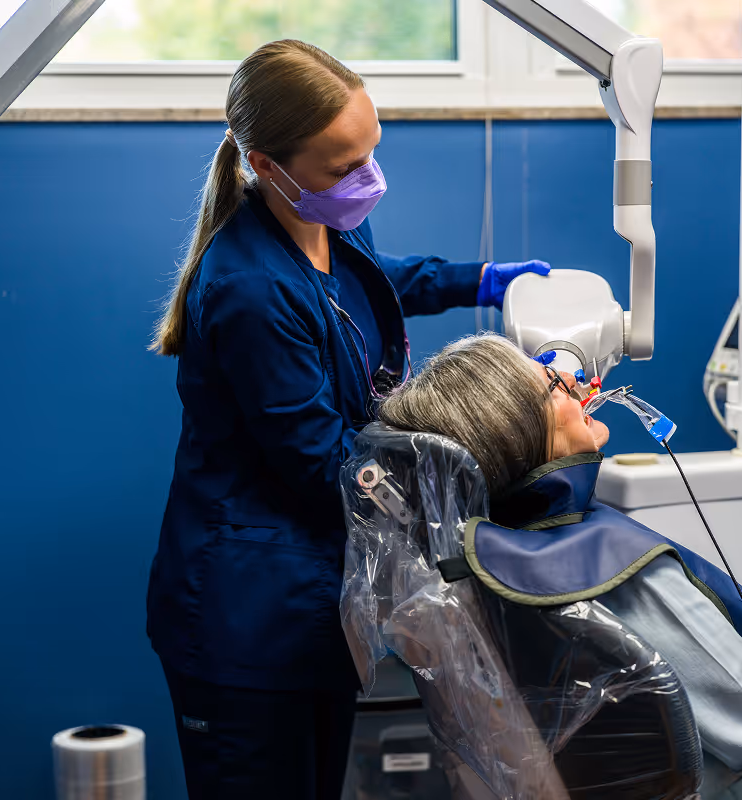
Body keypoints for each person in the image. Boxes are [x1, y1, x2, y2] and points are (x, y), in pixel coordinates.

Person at [145, 40, 552, 800]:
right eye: (344, 166)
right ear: (267, 166)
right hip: (248, 617)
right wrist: (489, 437)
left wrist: (488, 282)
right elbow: (325, 466)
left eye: (372, 152)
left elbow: (380, 279)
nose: (368, 179)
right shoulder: (249, 291)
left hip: (314, 601)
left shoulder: (327, 221)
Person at [376, 333, 742, 799]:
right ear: (518, 432)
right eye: (551, 382)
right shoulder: (599, 568)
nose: (575, 382)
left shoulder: (497, 561)